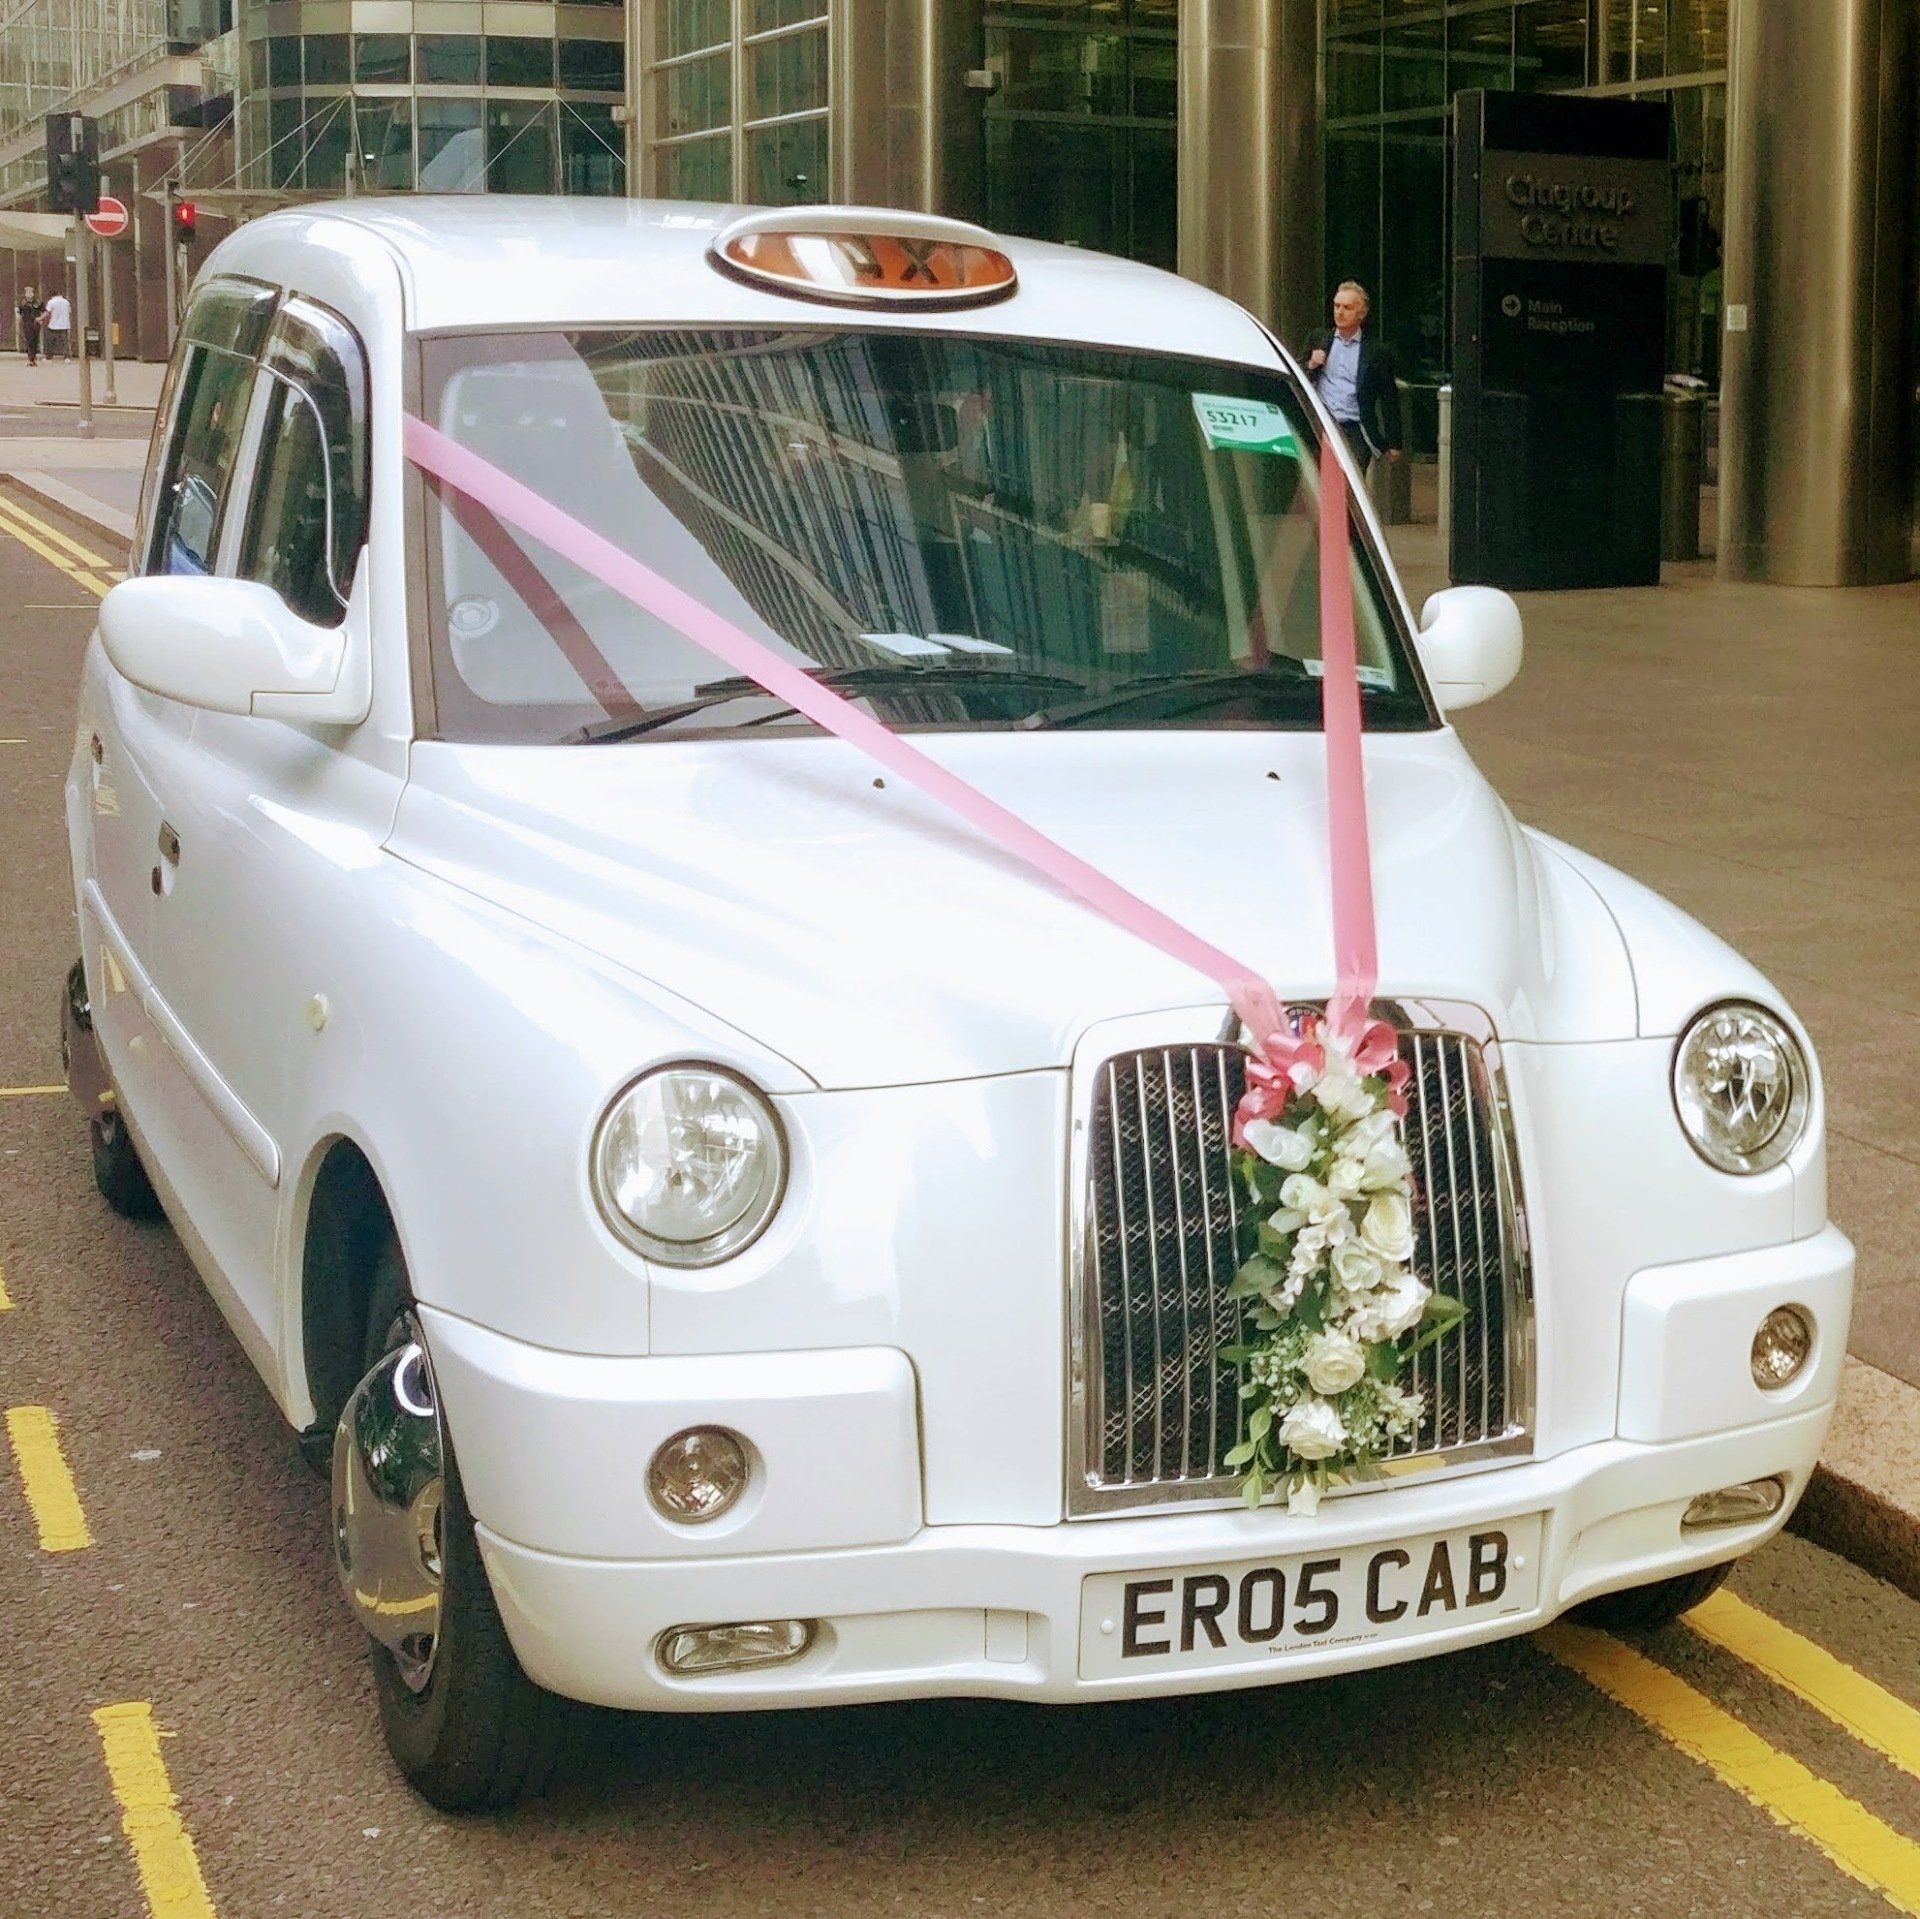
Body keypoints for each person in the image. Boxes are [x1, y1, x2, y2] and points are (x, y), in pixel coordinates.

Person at [1304, 281, 1403, 476]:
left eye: (1347, 307)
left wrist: (1394, 442)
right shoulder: (1319, 339)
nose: (1339, 312)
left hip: (1354, 430)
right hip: (1321, 425)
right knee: (1317, 485)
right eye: (1336, 306)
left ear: (1362, 314)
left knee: (1349, 489)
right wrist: (1311, 364)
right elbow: (1296, 374)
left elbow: (1388, 397)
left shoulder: (1376, 352)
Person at [16, 286, 44, 365]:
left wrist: (41, 318)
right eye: (27, 292)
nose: (29, 294)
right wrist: (18, 319)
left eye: (30, 292)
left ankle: (33, 356)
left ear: (33, 293)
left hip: (36, 323)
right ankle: (31, 358)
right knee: (29, 340)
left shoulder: (38, 302)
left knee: (35, 340)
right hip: (27, 323)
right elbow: (18, 312)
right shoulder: (22, 302)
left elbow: (44, 311)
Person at [42, 288, 71, 361]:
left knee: (50, 341)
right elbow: (70, 311)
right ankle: (66, 357)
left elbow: (47, 312)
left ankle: (49, 356)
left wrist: (40, 318)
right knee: (64, 342)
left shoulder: (51, 302)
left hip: (53, 325)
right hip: (64, 325)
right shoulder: (66, 302)